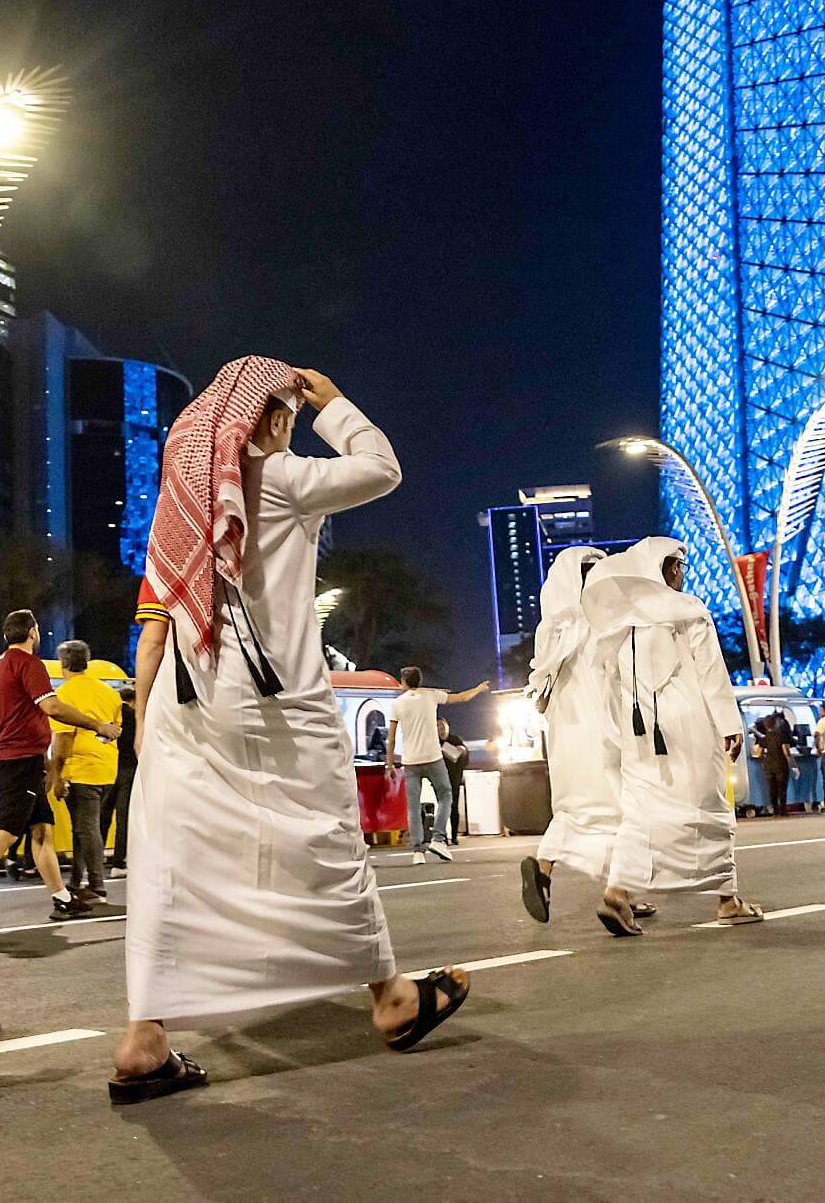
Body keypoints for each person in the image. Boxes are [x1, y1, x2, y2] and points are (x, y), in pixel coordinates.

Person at [114, 360, 470, 1104]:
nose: (289, 425)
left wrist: (144, 723)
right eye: (287, 414)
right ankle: (392, 995)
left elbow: (153, 629)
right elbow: (381, 467)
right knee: (326, 830)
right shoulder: (277, 479)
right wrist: (334, 399)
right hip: (280, 695)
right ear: (270, 417)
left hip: (191, 698)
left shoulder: (178, 497)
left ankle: (145, 1035)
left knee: (167, 843)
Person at [580, 537, 763, 934]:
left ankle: (617, 892)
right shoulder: (687, 610)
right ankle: (727, 900)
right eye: (676, 566)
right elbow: (710, 670)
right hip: (690, 724)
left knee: (641, 810)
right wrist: (730, 724)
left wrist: (616, 731)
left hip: (638, 731)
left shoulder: (616, 624)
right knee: (708, 806)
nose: (681, 574)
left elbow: (602, 681)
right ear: (661, 569)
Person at [0, 610, 117, 930]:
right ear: (33, 632)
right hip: (20, 760)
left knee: (42, 828)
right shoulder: (28, 664)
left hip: (13, 760)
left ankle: (62, 899)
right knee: (5, 829)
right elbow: (52, 708)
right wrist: (97, 725)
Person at [521, 546, 633, 926]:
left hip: (564, 740)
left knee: (571, 812)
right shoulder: (600, 625)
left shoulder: (552, 630)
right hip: (601, 733)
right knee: (623, 812)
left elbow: (541, 684)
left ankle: (542, 869)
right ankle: (617, 895)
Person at [385, 666, 490, 863]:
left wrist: (389, 764)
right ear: (419, 681)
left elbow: (390, 738)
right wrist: (477, 689)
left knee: (413, 807)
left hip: (411, 761)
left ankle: (417, 852)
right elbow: (460, 698)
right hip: (433, 757)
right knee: (445, 796)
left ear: (404, 682)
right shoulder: (431, 696)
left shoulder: (397, 704)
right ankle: (438, 839)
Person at [49, 639, 123, 903]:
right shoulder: (109, 693)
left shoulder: (65, 695)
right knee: (84, 826)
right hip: (106, 768)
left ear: (64, 664)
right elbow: (114, 731)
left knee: (87, 827)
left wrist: (56, 777)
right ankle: (75, 880)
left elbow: (63, 741)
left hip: (79, 769)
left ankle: (96, 885)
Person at [104, 686, 138, 872]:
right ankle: (119, 862)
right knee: (123, 817)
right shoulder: (133, 716)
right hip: (129, 769)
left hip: (109, 769)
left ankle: (94, 858)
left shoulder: (109, 715)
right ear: (132, 701)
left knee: (103, 815)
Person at [754, 710, 796, 816]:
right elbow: (786, 752)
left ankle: (775, 810)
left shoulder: (763, 739)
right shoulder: (782, 737)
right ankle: (783, 810)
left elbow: (758, 754)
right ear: (776, 724)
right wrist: (793, 765)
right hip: (781, 765)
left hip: (769, 765)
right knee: (782, 789)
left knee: (772, 789)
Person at [437, 718, 468, 844]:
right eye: (438, 728)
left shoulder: (455, 740)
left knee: (454, 807)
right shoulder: (434, 743)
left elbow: (464, 757)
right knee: (442, 808)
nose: (441, 730)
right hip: (439, 779)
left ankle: (454, 836)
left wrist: (462, 751)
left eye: (443, 727)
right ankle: (443, 836)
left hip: (454, 778)